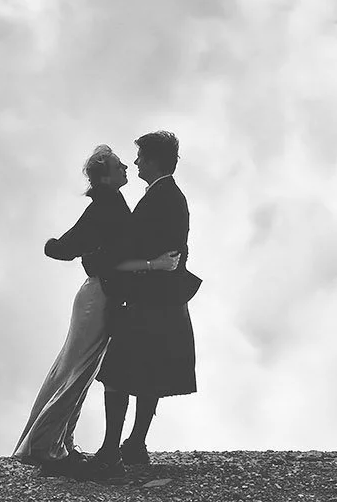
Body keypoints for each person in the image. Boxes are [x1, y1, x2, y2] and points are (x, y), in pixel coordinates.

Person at [12, 145, 180, 476]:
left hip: (101, 294)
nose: (127, 168)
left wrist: (77, 252)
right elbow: (83, 249)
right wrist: (154, 264)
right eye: (119, 166)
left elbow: (87, 247)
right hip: (97, 297)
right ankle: (45, 446)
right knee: (75, 370)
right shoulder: (107, 204)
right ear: (105, 175)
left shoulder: (111, 203)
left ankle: (58, 443)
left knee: (80, 371)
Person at [87, 130, 198, 476]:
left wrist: (100, 261)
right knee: (150, 374)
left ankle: (111, 452)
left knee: (119, 375)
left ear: (151, 160)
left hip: (146, 300)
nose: (135, 163)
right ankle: (134, 445)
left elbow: (132, 247)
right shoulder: (168, 196)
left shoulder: (161, 198)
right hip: (163, 299)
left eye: (139, 157)